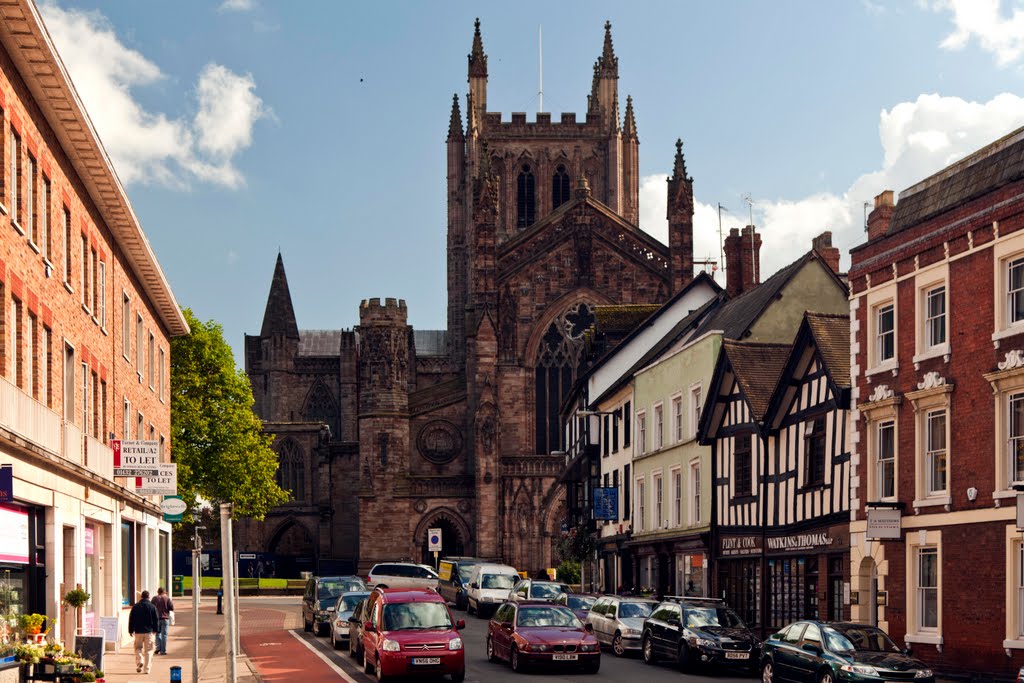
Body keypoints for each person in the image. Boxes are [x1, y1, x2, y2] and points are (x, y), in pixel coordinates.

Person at [128, 590, 159, 674]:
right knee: (149, 650)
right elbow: (156, 619)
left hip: (138, 631)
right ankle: (147, 669)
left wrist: (130, 630)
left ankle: (139, 661)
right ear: (149, 597)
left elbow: (131, 619)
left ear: (141, 597)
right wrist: (156, 630)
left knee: (138, 648)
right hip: (149, 632)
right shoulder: (152, 607)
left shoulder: (135, 606)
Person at [151, 587, 175, 656]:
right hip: (165, 618)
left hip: (156, 619)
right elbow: (172, 608)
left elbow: (151, 607)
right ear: (164, 592)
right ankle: (163, 651)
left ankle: (158, 647)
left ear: (158, 592)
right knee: (164, 635)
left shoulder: (154, 598)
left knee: (157, 633)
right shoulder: (167, 598)